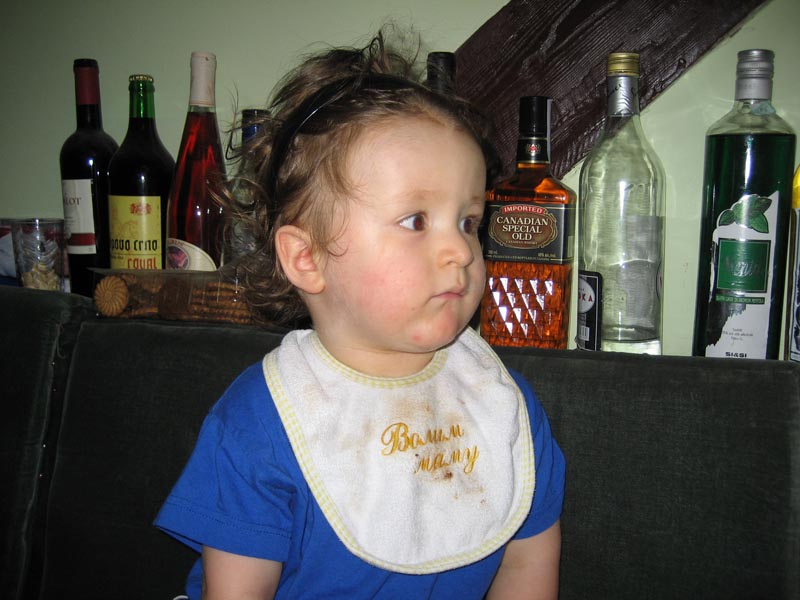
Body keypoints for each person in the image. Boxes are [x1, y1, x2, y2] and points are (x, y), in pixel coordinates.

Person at [155, 31, 565, 600]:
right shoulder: (262, 423)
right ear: (307, 258)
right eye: (416, 220)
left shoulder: (500, 406)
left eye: (468, 221)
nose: (461, 250)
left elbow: (527, 568)